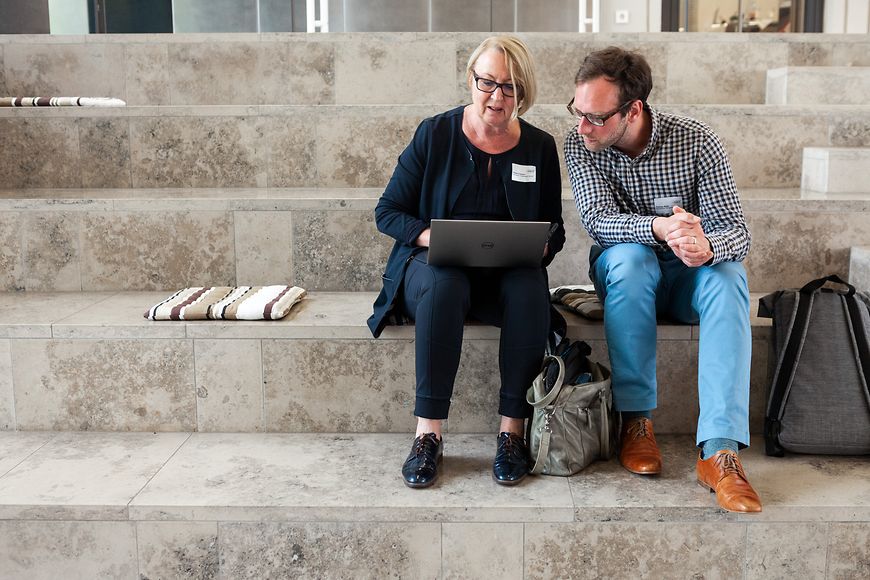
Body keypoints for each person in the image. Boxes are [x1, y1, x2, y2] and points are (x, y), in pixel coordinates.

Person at [564, 46, 762, 513]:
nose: (581, 126)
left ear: (633, 110)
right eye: (577, 111)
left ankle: (720, 450)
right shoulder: (582, 143)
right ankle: (636, 421)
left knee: (729, 275)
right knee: (633, 260)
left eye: (594, 116)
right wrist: (659, 228)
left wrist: (707, 246)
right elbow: (597, 220)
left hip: (689, 279)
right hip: (628, 277)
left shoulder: (697, 141)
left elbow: (736, 229)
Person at [367, 35, 565, 488]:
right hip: (434, 271)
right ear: (471, 78)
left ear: (524, 92)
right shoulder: (434, 134)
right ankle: (428, 435)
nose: (496, 96)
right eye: (487, 82)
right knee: (446, 284)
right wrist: (429, 235)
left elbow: (555, 228)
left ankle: (511, 432)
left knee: (529, 288)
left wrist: (542, 246)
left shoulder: (539, 146)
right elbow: (388, 211)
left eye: (509, 87)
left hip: (506, 276)